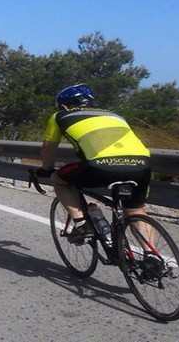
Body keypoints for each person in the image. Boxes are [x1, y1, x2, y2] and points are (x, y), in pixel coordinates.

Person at [36, 83, 151, 243]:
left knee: (58, 180)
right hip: (141, 164)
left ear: (63, 106)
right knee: (135, 210)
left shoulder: (60, 116)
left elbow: (48, 150)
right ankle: (152, 257)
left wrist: (46, 169)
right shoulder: (116, 115)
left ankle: (82, 225)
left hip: (100, 165)